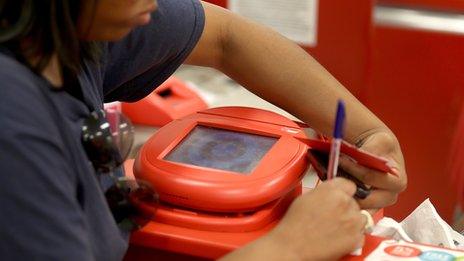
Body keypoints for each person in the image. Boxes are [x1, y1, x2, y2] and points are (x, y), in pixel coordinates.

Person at [0, 0, 407, 260]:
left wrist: (367, 133)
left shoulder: (69, 30)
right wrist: (292, 247)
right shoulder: (12, 118)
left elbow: (226, 37)